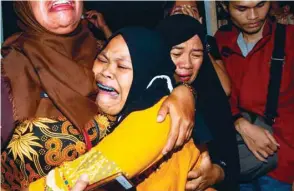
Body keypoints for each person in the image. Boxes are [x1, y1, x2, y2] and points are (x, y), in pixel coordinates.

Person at [1, 1, 195, 190]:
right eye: (105, 61)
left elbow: (158, 85)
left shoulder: (103, 52)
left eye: (121, 66)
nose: (109, 70)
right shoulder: (7, 73)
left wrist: (185, 92)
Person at [215, 1, 294, 190]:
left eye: (260, 5)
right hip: (238, 158)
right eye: (241, 9)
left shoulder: (290, 38)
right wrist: (239, 123)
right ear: (225, 8)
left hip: (283, 164)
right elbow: (215, 94)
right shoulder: (220, 40)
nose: (253, 16)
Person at [156, 14, 240, 191]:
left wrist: (215, 173)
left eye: (196, 55)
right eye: (176, 53)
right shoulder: (144, 95)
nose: (186, 64)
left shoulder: (211, 96)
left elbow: (231, 164)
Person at [165, 0, 231, 96]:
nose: (186, 16)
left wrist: (200, 41)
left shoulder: (208, 42)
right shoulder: (158, 41)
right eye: (179, 12)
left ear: (200, 20)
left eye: (193, 11)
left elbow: (225, 89)